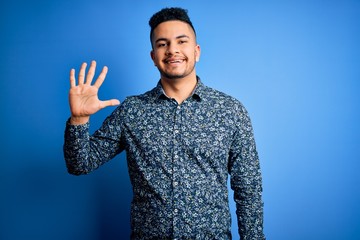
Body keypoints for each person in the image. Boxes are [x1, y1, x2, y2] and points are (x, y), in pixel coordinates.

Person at [64, 7, 265, 240]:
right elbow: (80, 164)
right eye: (162, 44)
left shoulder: (231, 111)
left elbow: (248, 189)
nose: (173, 50)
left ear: (197, 51)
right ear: (153, 57)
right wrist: (79, 119)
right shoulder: (132, 111)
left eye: (181, 41)